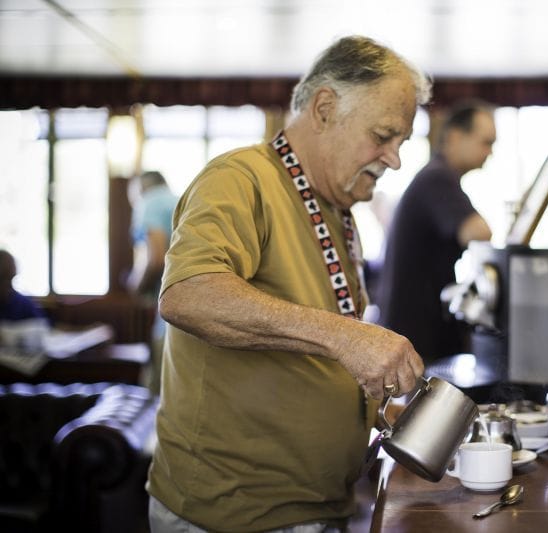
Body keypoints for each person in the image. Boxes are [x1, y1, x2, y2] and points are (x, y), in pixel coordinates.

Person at [147, 35, 429, 533]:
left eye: (401, 142)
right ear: (324, 108)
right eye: (383, 135)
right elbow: (188, 295)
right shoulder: (240, 177)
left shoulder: (336, 208)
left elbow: (309, 356)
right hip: (235, 517)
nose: (394, 159)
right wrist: (349, 336)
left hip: (316, 506)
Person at [377, 101, 496, 364]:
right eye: (485, 142)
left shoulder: (437, 176)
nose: (490, 152)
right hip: (417, 334)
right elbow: (478, 233)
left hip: (417, 327)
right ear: (455, 137)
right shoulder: (437, 178)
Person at [127, 170, 178, 395]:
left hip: (169, 320)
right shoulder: (179, 200)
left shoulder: (149, 202)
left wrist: (135, 286)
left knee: (158, 396)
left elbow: (155, 257)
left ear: (140, 189)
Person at [0, 249, 46, 322]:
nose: (8, 286)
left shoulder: (23, 303)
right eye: (3, 279)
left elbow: (41, 325)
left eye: (9, 279)